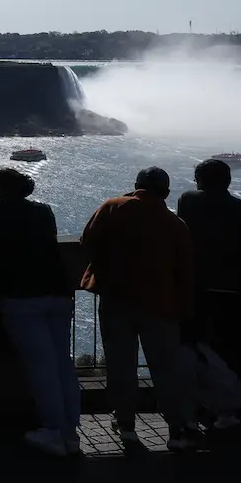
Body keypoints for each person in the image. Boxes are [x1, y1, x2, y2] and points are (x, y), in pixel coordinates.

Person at [80, 167, 198, 451]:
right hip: (161, 304)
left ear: (136, 185)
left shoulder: (113, 207)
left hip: (116, 299)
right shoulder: (175, 224)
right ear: (166, 193)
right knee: (166, 368)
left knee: (121, 365)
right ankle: (176, 429)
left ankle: (126, 426)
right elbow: (185, 270)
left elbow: (87, 241)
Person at [0, 167, 79, 456]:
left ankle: (53, 431)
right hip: (58, 291)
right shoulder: (43, 210)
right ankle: (71, 432)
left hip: (21, 296)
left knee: (41, 366)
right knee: (62, 363)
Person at [177, 159, 241, 424]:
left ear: (199, 179)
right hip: (236, 293)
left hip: (198, 291)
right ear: (228, 180)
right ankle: (235, 408)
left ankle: (201, 408)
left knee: (197, 350)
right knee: (232, 352)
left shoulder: (189, 200)